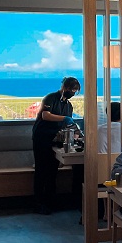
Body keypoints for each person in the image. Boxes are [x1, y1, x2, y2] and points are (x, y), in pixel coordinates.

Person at [31, 77, 81, 215]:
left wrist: (76, 133)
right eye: (70, 89)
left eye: (74, 91)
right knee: (42, 171)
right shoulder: (51, 98)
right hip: (42, 137)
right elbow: (45, 115)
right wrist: (63, 118)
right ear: (64, 87)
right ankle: (38, 203)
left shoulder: (68, 105)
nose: (72, 92)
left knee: (53, 172)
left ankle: (50, 201)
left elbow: (68, 124)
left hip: (55, 139)